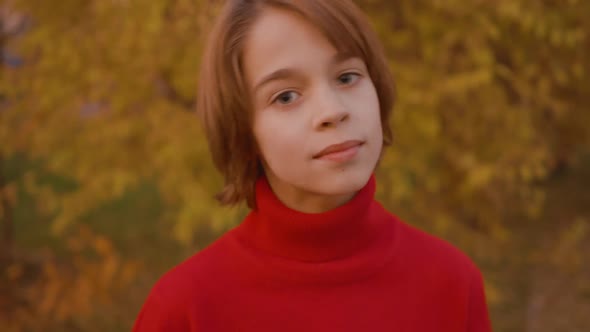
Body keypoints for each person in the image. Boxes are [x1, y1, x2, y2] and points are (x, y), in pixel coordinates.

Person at [132, 0, 492, 331]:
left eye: (347, 77)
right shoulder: (186, 308)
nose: (333, 110)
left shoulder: (452, 284)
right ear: (243, 134)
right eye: (286, 96)